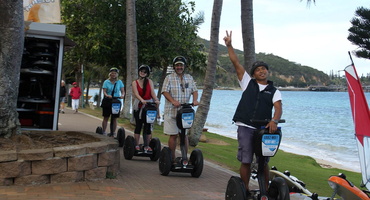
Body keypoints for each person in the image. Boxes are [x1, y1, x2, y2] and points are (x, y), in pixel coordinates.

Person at [223, 30, 283, 194]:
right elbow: (236, 63)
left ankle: (265, 191)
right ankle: (245, 190)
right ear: (254, 73)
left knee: (263, 161)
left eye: (264, 69)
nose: (262, 71)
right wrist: (229, 46)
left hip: (263, 128)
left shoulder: (274, 91)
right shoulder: (247, 82)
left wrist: (274, 121)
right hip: (245, 126)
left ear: (267, 72)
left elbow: (278, 108)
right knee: (247, 160)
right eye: (258, 70)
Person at [162, 56, 199, 165]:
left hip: (185, 112)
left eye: (181, 65)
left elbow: (195, 90)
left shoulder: (189, 78)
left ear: (184, 66)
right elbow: (164, 91)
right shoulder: (169, 78)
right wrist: (173, 101)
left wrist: (195, 100)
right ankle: (172, 159)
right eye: (177, 65)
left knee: (184, 135)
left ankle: (185, 159)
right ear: (174, 66)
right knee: (173, 135)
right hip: (171, 111)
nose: (179, 67)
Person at [132, 65, 160, 152]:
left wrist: (156, 100)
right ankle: (136, 145)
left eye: (144, 72)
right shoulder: (134, 82)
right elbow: (136, 94)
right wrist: (142, 100)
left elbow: (152, 92)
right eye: (141, 71)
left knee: (148, 126)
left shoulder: (149, 81)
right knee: (139, 125)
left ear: (147, 73)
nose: (142, 73)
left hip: (148, 106)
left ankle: (147, 145)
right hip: (139, 106)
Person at [102, 67, 125, 137]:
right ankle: (104, 131)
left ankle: (113, 132)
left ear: (117, 74)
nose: (113, 74)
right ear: (110, 74)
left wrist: (122, 95)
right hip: (108, 100)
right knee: (106, 117)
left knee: (115, 118)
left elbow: (122, 91)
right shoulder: (106, 82)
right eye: (112, 73)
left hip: (116, 101)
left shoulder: (119, 82)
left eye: (115, 73)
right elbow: (104, 91)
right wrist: (107, 95)